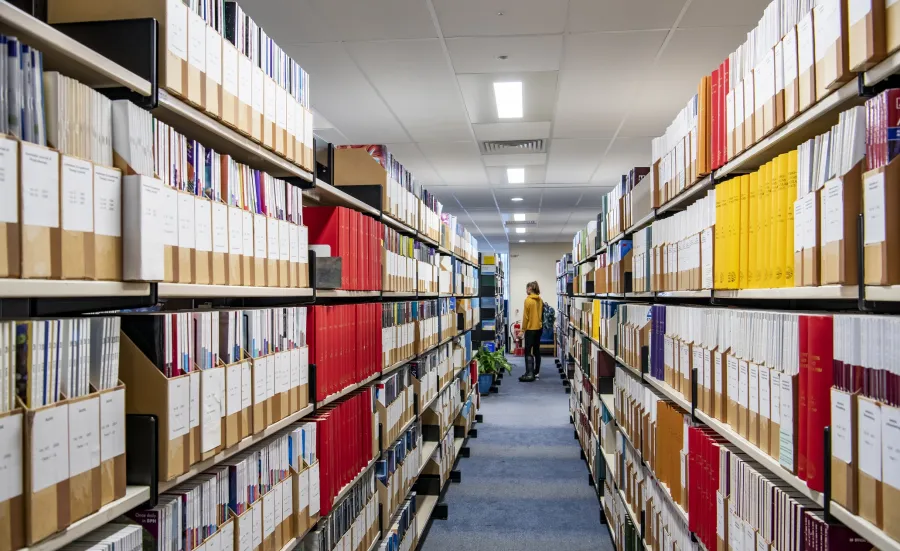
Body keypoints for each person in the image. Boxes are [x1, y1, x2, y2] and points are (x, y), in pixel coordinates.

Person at [519, 281, 543, 382]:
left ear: (530, 288)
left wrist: (522, 330)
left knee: (528, 351)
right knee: (537, 350)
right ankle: (536, 372)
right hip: (539, 328)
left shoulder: (528, 301)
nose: (526, 290)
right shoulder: (540, 300)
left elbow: (526, 317)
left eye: (526, 288)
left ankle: (529, 373)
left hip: (530, 329)